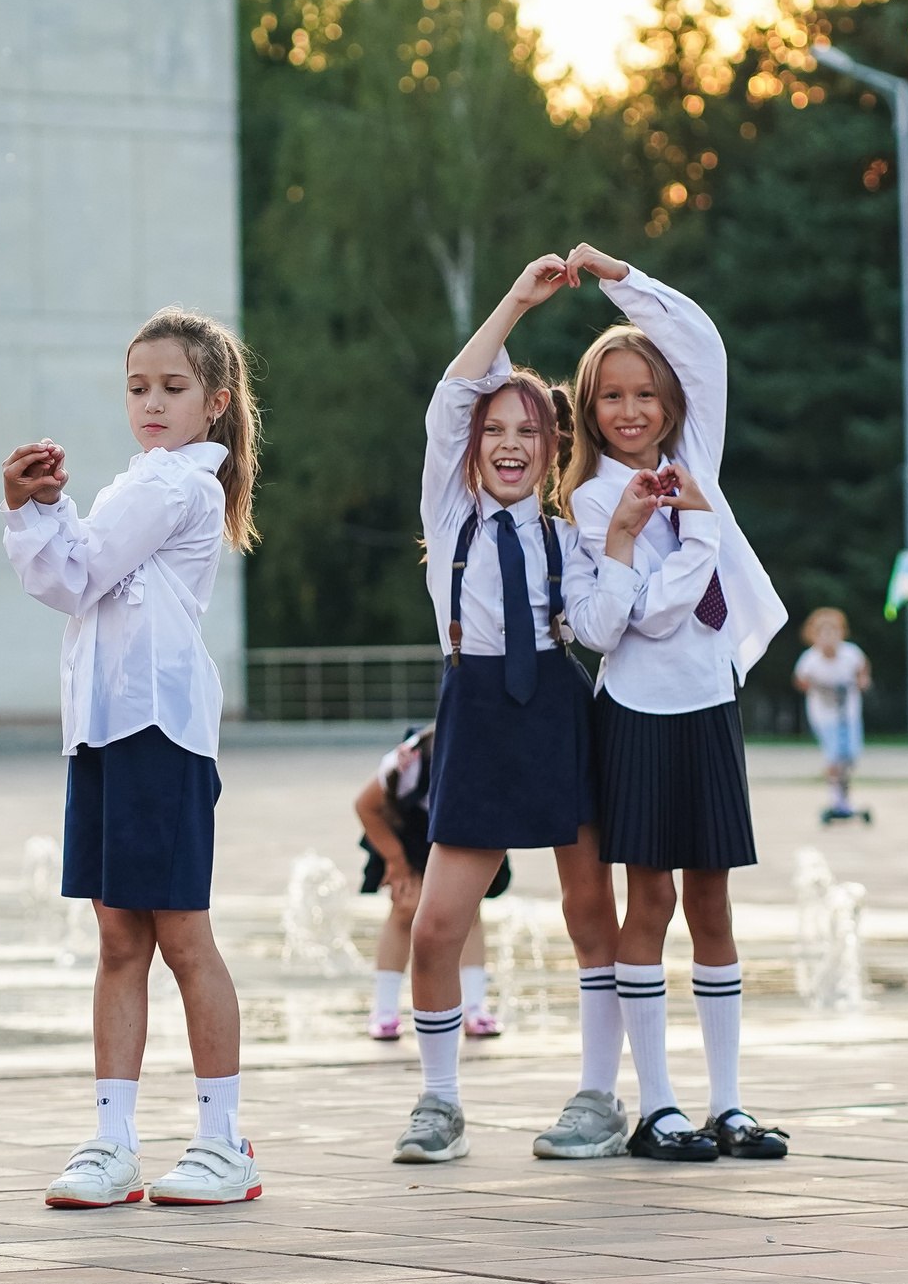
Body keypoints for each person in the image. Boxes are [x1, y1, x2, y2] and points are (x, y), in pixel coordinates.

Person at [1, 307, 263, 1209]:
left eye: (173, 387)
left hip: (160, 732)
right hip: (107, 730)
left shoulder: (176, 484)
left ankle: (224, 1141)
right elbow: (64, 578)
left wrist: (37, 508)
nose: (151, 402)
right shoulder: (141, 480)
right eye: (138, 386)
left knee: (182, 935)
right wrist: (39, 509)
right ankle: (112, 1142)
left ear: (215, 401)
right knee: (119, 938)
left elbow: (75, 571)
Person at [391, 254, 633, 1168]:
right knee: (437, 923)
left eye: (528, 431)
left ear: (552, 448)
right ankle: (440, 1102)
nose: (508, 443)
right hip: (479, 715)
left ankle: (599, 1094)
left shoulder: (567, 535)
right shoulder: (451, 519)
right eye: (495, 428)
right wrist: (519, 304)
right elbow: (449, 398)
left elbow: (605, 628)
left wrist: (619, 548)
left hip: (560, 716)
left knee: (588, 911)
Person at [560, 241, 791, 1166]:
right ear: (590, 409)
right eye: (610, 397)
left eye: (643, 395)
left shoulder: (696, 456)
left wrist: (619, 277)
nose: (628, 411)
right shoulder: (586, 500)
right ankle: (656, 1107)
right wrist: (681, 532)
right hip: (636, 715)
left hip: (708, 706)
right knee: (645, 900)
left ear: (669, 406)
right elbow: (621, 626)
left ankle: (727, 1103)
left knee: (715, 905)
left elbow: (702, 343)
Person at [353, 726, 509, 1041]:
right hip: (408, 834)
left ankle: (475, 1007)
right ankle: (384, 1010)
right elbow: (365, 806)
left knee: (469, 910)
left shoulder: (495, 762)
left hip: (465, 831)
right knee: (405, 906)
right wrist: (395, 861)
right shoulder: (412, 761)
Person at [791, 609, 870, 820]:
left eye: (833, 632)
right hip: (823, 715)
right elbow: (800, 680)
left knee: (850, 755)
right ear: (813, 636)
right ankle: (837, 799)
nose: (828, 638)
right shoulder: (810, 659)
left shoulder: (850, 654)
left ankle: (844, 794)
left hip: (849, 713)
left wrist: (863, 680)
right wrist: (814, 686)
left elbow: (863, 668)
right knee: (834, 755)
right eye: (823, 633)